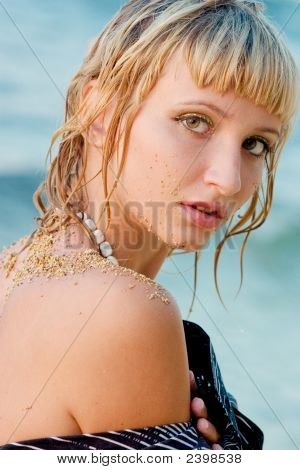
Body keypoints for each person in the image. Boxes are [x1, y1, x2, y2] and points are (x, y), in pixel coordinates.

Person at [0, 0, 298, 450]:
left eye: (255, 144)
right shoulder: (127, 312)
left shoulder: (14, 265)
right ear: (98, 111)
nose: (229, 178)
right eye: (195, 121)